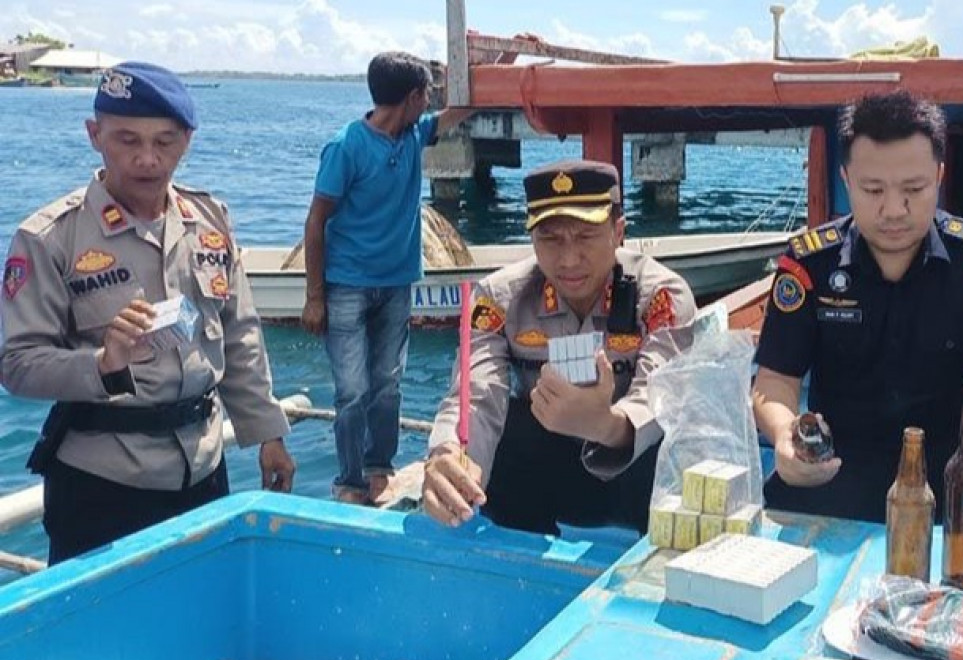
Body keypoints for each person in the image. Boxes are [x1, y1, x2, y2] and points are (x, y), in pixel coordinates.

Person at [752, 90, 963, 531]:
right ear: (846, 179)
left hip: (955, 465)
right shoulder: (809, 265)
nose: (894, 210)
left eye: (914, 188)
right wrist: (784, 436)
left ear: (939, 176)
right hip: (841, 462)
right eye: (873, 189)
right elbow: (774, 381)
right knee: (778, 496)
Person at [0, 61, 296, 564]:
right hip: (103, 483)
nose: (147, 159)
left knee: (203, 624)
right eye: (127, 140)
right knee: (103, 637)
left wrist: (268, 434)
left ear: (188, 139)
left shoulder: (209, 220)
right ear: (94, 135)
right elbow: (16, 362)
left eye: (164, 142)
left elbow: (238, 334)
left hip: (204, 470)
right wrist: (101, 363)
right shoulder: (50, 237)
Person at [421, 159, 696, 534]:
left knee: (673, 438)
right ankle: (521, 554)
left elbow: (660, 397)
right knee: (508, 429)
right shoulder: (498, 299)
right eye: (550, 238)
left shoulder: (661, 296)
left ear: (619, 233)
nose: (568, 259)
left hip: (638, 476)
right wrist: (448, 453)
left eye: (585, 236)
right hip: (552, 476)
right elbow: (476, 394)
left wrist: (607, 425)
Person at [300, 51, 472, 505]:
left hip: (397, 283)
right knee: (353, 389)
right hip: (346, 285)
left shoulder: (417, 133)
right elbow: (315, 221)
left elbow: (467, 106)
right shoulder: (346, 147)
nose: (432, 101)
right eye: (428, 94)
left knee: (388, 383)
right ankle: (349, 480)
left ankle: (379, 467)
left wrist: (500, 57)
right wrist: (314, 295)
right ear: (414, 96)